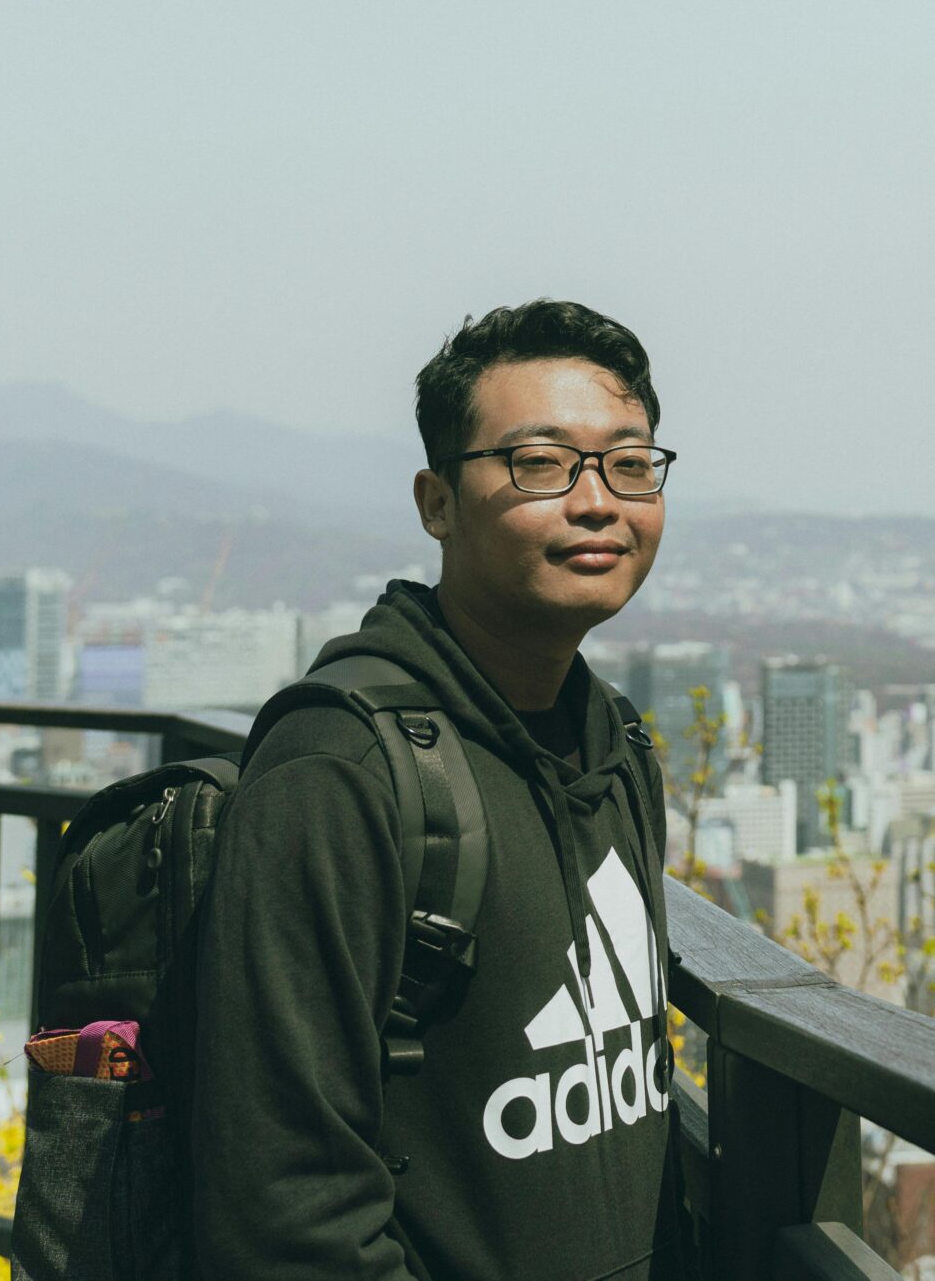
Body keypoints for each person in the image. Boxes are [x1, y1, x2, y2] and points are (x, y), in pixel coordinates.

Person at [193, 299, 685, 1280]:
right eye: (540, 464)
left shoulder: (614, 744)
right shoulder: (343, 770)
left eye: (629, 464)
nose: (597, 501)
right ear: (436, 502)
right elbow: (286, 1207)